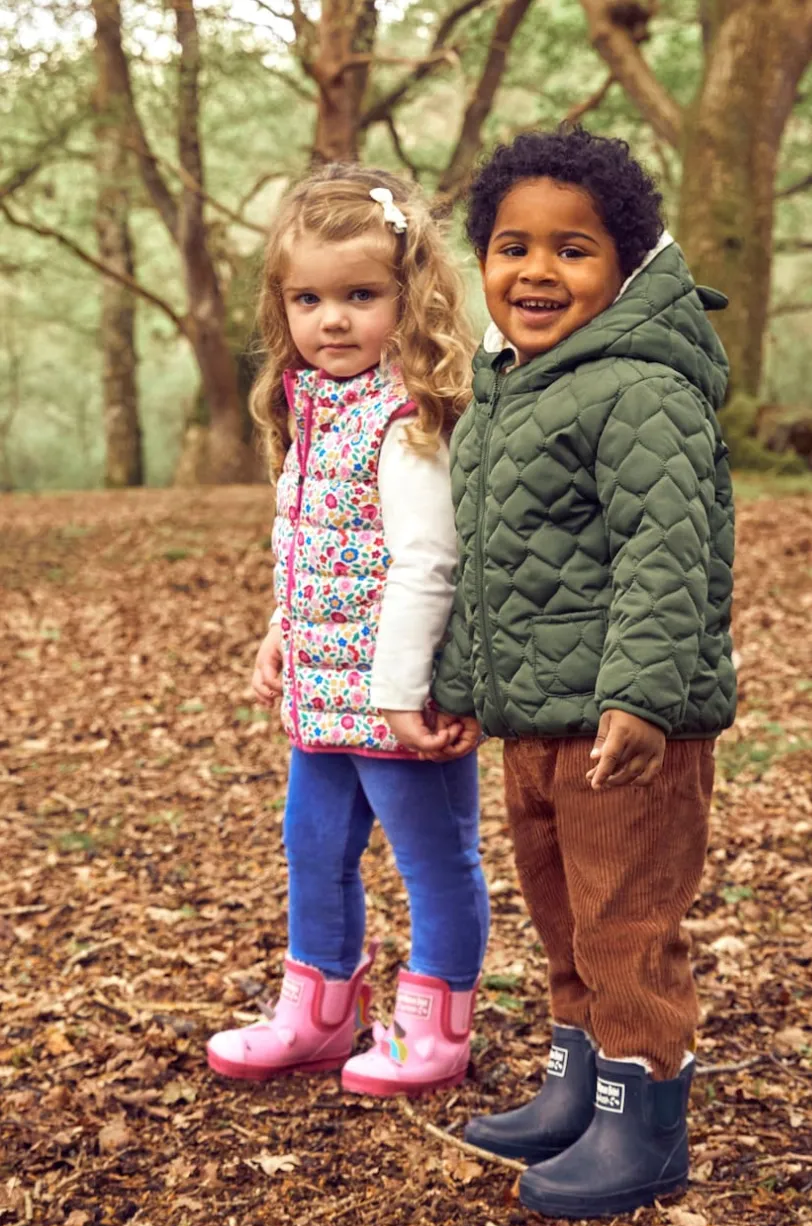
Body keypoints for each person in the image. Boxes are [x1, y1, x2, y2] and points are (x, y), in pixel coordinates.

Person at [431, 127, 736, 1217]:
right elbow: (490, 563)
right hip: (538, 721)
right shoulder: (509, 391)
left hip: (625, 727)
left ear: (625, 263)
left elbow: (669, 551)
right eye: (512, 247)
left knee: (625, 924)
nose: (537, 271)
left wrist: (642, 697)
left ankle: (642, 1124)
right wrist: (460, 687)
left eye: (573, 250)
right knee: (564, 916)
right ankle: (580, 1088)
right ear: (482, 260)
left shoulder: (640, 389)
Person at [207, 165, 489, 1098]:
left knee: (432, 857)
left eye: (361, 296)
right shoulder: (314, 405)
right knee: (314, 846)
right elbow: (312, 539)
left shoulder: (405, 418)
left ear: (410, 298)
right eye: (309, 299)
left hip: (401, 697)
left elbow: (427, 562)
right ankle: (319, 1011)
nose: (332, 320)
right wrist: (280, 629)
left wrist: (401, 691)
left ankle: (435, 1024)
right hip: (324, 686)